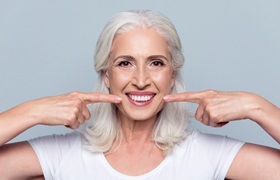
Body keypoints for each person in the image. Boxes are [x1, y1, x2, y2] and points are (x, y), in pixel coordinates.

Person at [0, 10, 279, 180]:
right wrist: (31, 112)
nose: (142, 80)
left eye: (156, 63)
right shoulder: (62, 154)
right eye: (125, 63)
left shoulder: (206, 154)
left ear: (172, 76)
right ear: (106, 75)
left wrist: (257, 107)